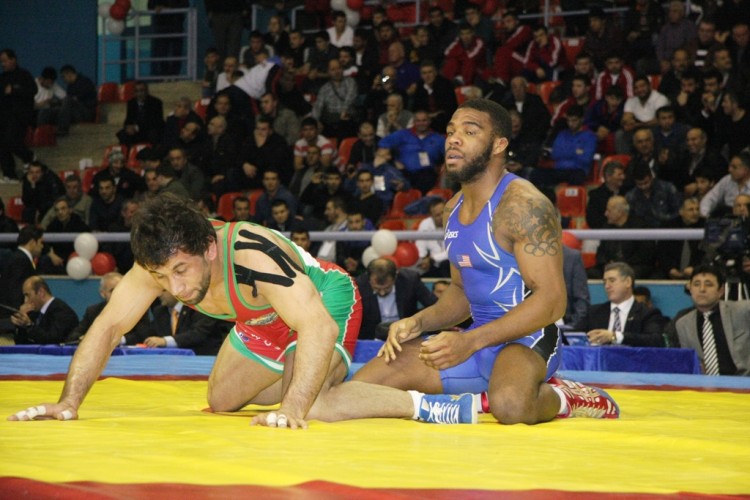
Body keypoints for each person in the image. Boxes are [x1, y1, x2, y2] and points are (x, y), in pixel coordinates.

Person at [8, 193, 483, 427]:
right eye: (162, 277)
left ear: (208, 248)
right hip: (261, 316)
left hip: (322, 300)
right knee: (222, 401)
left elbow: (315, 323)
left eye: (180, 271)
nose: (175, 288)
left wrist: (293, 407)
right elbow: (108, 327)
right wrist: (69, 402)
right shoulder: (160, 263)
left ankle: (429, 407)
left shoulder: (251, 253)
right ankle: (327, 378)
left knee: (311, 402)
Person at [354, 99, 620, 423]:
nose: (453, 139)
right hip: (474, 342)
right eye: (451, 131)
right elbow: (460, 292)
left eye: (469, 132)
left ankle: (568, 396)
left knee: (510, 405)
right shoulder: (452, 209)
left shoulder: (524, 206)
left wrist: (470, 341)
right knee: (359, 390)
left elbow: (552, 301)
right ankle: (481, 396)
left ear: (498, 145)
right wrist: (418, 323)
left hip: (527, 340)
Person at [667, 265, 750, 375]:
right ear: (690, 289)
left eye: (709, 284)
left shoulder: (743, 310)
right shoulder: (683, 323)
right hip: (704, 384)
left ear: (720, 291)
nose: (702, 289)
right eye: (696, 284)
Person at [573, 262, 665, 347]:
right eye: (605, 282)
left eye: (612, 280)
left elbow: (655, 340)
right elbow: (574, 335)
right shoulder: (594, 312)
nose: (607, 286)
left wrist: (614, 336)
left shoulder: (647, 314)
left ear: (628, 282)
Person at [126, 289, 230, 356]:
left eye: (163, 290)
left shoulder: (201, 306)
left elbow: (198, 334)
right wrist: (122, 339)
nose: (159, 294)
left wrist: (165, 341)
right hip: (171, 365)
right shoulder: (160, 311)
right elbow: (149, 334)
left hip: (204, 362)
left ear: (176, 290)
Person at [356, 258, 437, 340]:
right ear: (368, 279)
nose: (382, 293)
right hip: (372, 335)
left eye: (387, 288)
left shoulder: (410, 280)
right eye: (376, 288)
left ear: (395, 277)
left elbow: (434, 305)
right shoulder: (359, 285)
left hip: (406, 332)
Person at [66, 272, 150, 344]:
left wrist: (120, 340)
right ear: (103, 293)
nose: (118, 292)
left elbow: (144, 336)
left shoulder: (138, 310)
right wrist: (85, 338)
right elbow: (73, 336)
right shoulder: (93, 311)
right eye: (112, 290)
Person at [378, 110, 445, 194]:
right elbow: (383, 144)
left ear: (429, 121)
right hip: (403, 172)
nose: (421, 123)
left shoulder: (438, 139)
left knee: (425, 177)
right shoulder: (402, 135)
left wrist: (442, 167)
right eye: (418, 121)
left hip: (427, 174)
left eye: (424, 120)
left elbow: (450, 155)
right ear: (414, 122)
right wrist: (393, 160)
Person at [590, 195, 655, 279]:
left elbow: (645, 254)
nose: (605, 214)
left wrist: (623, 265)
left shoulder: (640, 226)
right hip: (610, 267)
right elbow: (601, 251)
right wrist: (605, 263)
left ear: (619, 212)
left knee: (631, 274)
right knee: (590, 273)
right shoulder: (607, 227)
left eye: (609, 210)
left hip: (634, 266)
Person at [0, 49, 36, 182]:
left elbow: (33, 90)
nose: (3, 64)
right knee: (2, 144)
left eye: (5, 61)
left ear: (13, 60)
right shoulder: (2, 78)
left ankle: (28, 156)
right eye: (1, 62)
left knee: (11, 139)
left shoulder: (24, 75)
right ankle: (9, 174)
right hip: (4, 116)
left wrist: (14, 90)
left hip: (20, 116)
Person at [12, 276, 79, 345]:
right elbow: (21, 344)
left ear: (41, 292)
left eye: (28, 295)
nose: (25, 301)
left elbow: (52, 341)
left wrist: (29, 325)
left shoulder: (62, 311)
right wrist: (20, 324)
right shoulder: (34, 313)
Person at [657, 197, 705, 280]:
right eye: (691, 210)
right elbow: (662, 252)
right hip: (670, 271)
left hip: (698, 270)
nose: (695, 213)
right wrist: (670, 269)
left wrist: (695, 268)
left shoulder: (705, 225)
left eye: (697, 209)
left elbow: (706, 253)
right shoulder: (669, 226)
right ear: (681, 211)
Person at [625, 163, 682, 228]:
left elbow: (679, 211)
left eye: (646, 183)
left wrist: (666, 219)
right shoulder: (630, 197)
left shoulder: (668, 189)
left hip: (668, 229)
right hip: (642, 231)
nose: (643, 187)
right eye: (639, 184)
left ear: (651, 178)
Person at [0, 226, 42, 313]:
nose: (42, 246)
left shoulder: (15, 257)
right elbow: (14, 290)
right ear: (32, 242)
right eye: (41, 242)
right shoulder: (21, 260)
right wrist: (19, 313)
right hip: (12, 315)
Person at [700, 152, 750, 218]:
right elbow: (710, 198)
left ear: (746, 170)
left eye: (734, 167)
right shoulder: (727, 180)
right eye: (730, 166)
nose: (729, 170)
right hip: (727, 218)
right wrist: (704, 217)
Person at [116, 81, 165, 147]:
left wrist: (137, 127)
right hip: (136, 132)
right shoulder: (131, 103)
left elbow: (156, 121)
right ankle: (128, 152)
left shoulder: (156, 102)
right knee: (123, 134)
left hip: (150, 130)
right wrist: (128, 127)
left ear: (147, 91)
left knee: (154, 133)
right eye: (137, 91)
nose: (139, 93)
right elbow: (128, 119)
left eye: (142, 90)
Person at [56, 65, 97, 136]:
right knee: (48, 111)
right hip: (74, 113)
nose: (63, 79)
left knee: (68, 100)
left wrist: (72, 99)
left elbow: (80, 98)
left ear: (69, 74)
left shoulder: (85, 82)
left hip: (86, 113)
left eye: (63, 76)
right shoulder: (69, 87)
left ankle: (63, 129)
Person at [21, 160, 64, 225]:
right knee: (27, 212)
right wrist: (32, 186)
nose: (34, 175)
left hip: (49, 207)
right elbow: (26, 201)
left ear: (42, 173)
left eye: (37, 172)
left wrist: (40, 210)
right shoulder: (28, 181)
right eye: (32, 172)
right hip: (36, 208)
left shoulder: (50, 179)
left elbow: (55, 199)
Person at [415, 197, 450, 278]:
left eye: (443, 212)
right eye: (437, 215)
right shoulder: (425, 224)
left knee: (445, 264)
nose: (442, 216)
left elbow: (453, 250)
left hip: (451, 263)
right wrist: (423, 259)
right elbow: (420, 246)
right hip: (432, 264)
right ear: (432, 216)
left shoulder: (456, 222)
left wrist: (432, 259)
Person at [586, 160, 626, 228]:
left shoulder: (627, 193)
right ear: (608, 177)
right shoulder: (595, 196)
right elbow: (593, 221)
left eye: (623, 174)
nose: (623, 177)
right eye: (619, 175)